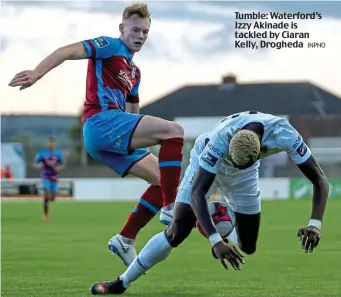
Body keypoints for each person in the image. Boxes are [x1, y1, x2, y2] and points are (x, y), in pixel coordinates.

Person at [9, 2, 184, 266]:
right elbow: (66, 51)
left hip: (113, 131)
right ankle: (173, 209)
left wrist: (142, 146)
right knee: (175, 131)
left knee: (165, 180)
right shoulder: (109, 45)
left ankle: (125, 238)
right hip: (100, 122)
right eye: (135, 30)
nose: (140, 36)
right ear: (122, 28)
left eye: (145, 32)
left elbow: (133, 113)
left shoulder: (134, 73)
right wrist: (37, 73)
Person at [89, 111, 329, 295]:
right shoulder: (218, 141)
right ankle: (122, 282)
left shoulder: (285, 134)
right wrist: (216, 242)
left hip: (245, 174)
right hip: (206, 161)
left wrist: (315, 224)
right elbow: (197, 192)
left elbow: (320, 180)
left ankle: (212, 219)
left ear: (259, 151)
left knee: (248, 246)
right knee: (176, 231)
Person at [34, 137, 65, 220]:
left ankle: (49, 198)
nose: (51, 144)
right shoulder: (42, 153)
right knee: (46, 192)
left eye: (53, 143)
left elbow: (62, 164)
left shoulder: (58, 153)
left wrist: (58, 168)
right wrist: (41, 166)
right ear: (47, 144)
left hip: (54, 177)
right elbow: (36, 163)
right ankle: (46, 214)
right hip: (45, 176)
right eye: (50, 143)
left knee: (53, 197)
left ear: (55, 144)